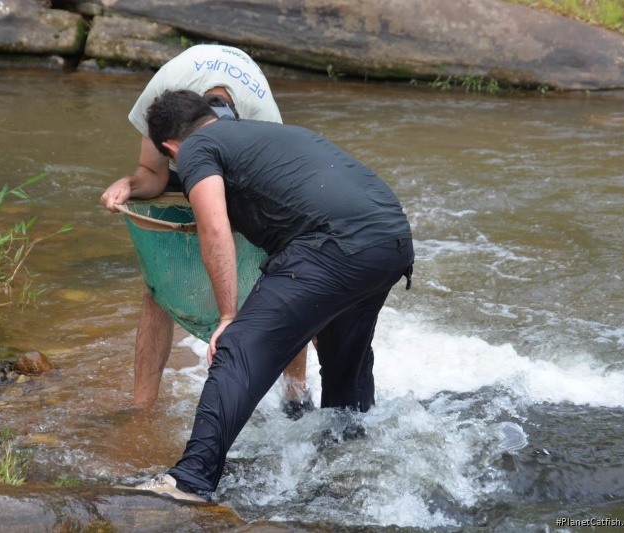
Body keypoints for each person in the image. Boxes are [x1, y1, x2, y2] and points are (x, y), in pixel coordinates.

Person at [135, 90, 415, 502]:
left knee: (237, 350)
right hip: (390, 240)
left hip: (333, 244)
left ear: (170, 148)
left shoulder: (197, 148)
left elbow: (214, 230)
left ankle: (190, 480)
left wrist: (228, 318)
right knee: (344, 359)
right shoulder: (262, 132)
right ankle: (351, 467)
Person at [100, 45, 313, 416]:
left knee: (285, 280)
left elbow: (260, 203)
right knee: (157, 292)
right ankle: (141, 410)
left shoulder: (263, 124)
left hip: (245, 172)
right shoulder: (162, 100)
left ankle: (296, 396)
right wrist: (130, 186)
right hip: (183, 134)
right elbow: (152, 174)